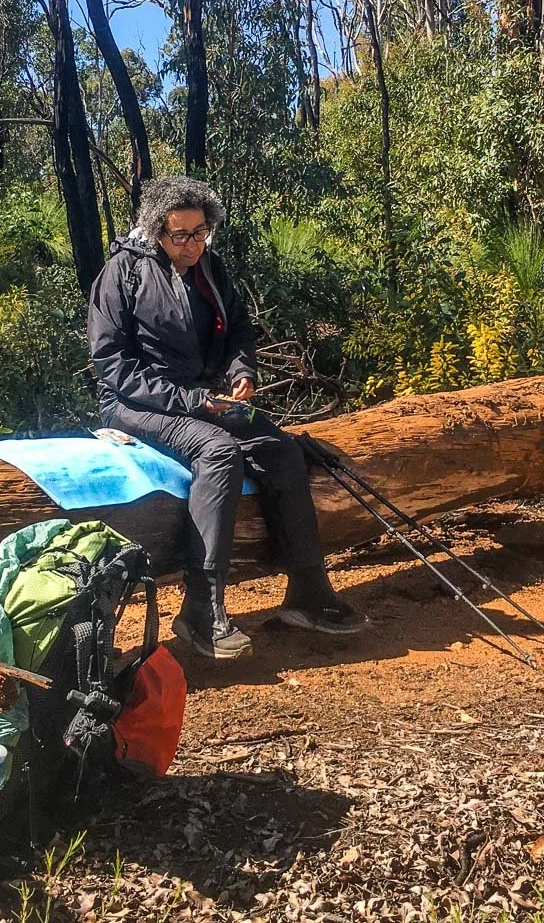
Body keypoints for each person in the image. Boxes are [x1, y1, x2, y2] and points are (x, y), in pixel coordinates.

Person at [87, 176, 368, 660]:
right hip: (134, 406)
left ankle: (308, 591)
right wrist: (193, 401)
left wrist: (241, 371)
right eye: (180, 235)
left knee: (281, 448)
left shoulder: (210, 268)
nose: (192, 244)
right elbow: (112, 366)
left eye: (200, 233)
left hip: (205, 399)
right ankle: (202, 609)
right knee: (218, 452)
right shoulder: (121, 274)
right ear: (156, 230)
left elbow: (239, 330)